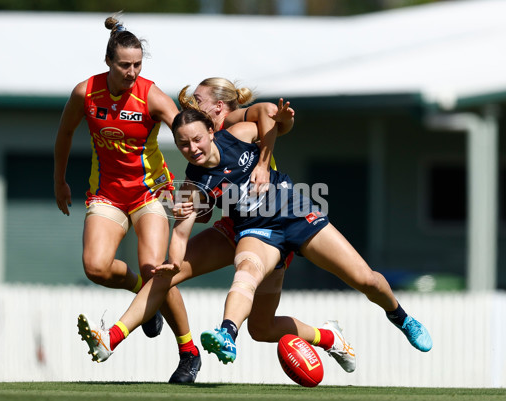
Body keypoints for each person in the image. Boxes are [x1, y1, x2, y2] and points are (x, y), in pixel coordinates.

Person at [76, 89, 358, 374]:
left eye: (200, 101)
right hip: (232, 229)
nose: (194, 106)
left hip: (271, 232)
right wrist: (181, 235)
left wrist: (266, 156)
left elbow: (273, 119)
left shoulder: (242, 132)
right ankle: (111, 339)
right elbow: (189, 225)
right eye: (184, 142)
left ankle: (317, 336)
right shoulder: (197, 168)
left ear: (218, 109)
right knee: (166, 275)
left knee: (261, 325)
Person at [168, 107, 433, 364]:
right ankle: (227, 333)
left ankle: (400, 316)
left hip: (295, 212)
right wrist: (173, 262)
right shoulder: (192, 182)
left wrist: (263, 161)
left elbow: (273, 119)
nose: (192, 148)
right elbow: (181, 233)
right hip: (258, 230)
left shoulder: (237, 134)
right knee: (247, 276)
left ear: (211, 131)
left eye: (197, 139)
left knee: (367, 280)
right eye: (183, 144)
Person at [53, 14, 200, 383]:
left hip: (149, 192)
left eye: (137, 65)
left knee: (157, 270)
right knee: (96, 267)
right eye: (124, 65)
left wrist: (195, 181)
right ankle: (144, 302)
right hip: (106, 194)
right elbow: (65, 133)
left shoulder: (150, 94)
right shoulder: (85, 93)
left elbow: (186, 131)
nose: (132, 72)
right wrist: (59, 181)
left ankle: (188, 353)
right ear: (108, 62)